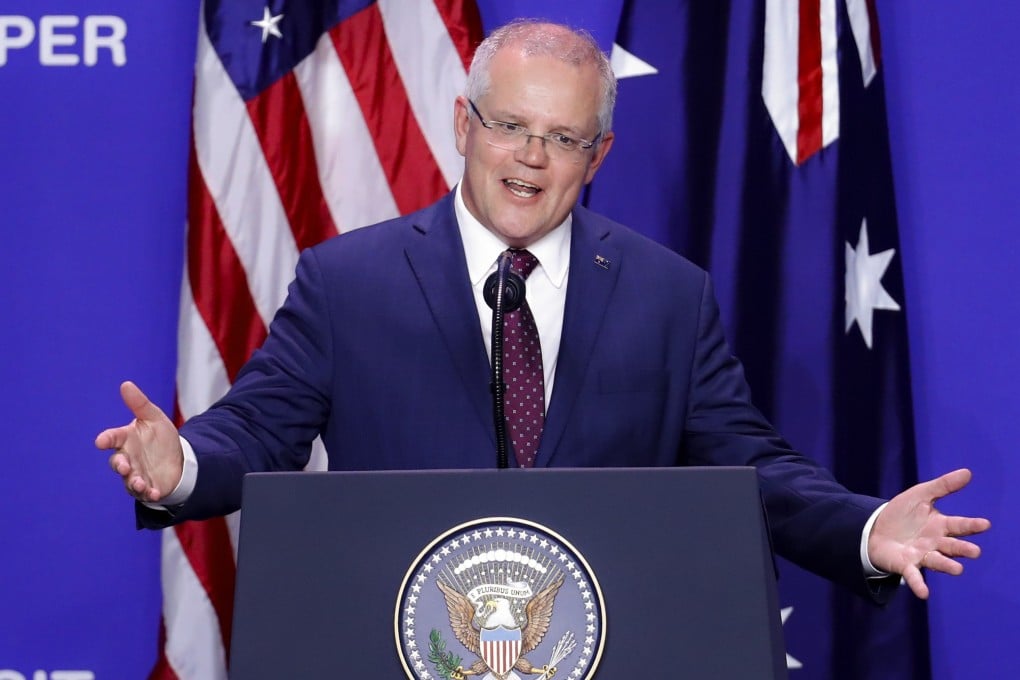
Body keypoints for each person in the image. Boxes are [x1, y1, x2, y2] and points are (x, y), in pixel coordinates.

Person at [96, 19, 988, 601]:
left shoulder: (669, 296)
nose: (531, 157)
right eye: (509, 126)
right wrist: (180, 467)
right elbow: (257, 432)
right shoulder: (347, 282)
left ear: (597, 156)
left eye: (563, 138)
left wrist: (866, 528)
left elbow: (750, 468)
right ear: (463, 124)